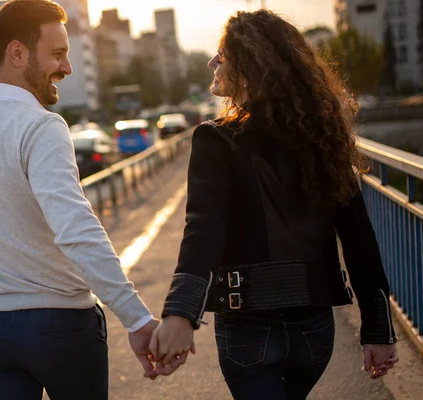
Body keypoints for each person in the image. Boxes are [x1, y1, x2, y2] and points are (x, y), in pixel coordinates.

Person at [149, 10, 399, 399]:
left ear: (250, 67)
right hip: (314, 332)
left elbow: (203, 229)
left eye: (222, 56)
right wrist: (378, 329)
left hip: (248, 328)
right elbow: (358, 236)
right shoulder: (324, 137)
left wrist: (181, 314)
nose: (212, 64)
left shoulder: (216, 140)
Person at [0, 1, 160, 399]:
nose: (67, 67)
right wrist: (136, 318)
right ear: (17, 53)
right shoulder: (42, 126)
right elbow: (75, 229)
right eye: (58, 54)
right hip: (58, 325)